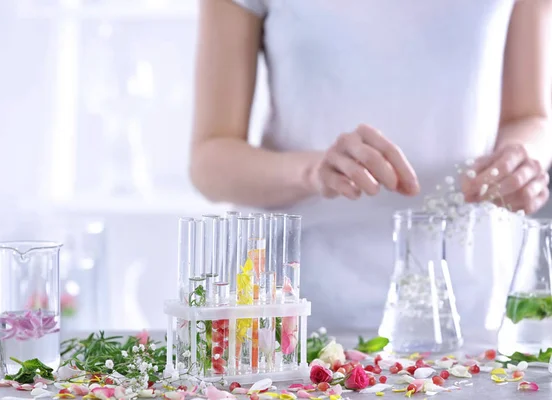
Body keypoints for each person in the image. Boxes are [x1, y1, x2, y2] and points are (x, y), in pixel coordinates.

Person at [189, 0, 552, 333]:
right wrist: (313, 171)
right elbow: (209, 159)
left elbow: (532, 116)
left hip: (465, 296)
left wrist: (521, 161)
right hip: (294, 299)